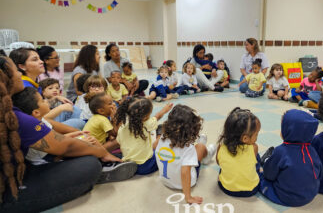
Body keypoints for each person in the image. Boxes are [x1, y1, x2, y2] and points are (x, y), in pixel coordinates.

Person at [0, 56, 126, 213]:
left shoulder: (12, 109)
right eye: (15, 71)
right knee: (89, 163)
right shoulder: (14, 116)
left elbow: (49, 128)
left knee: (80, 136)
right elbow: (62, 147)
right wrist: (102, 152)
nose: (19, 75)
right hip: (9, 189)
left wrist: (75, 136)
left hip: (23, 167)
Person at [259, 110, 323, 207]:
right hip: (310, 195)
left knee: (259, 178)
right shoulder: (312, 150)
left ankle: (265, 161)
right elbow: (320, 172)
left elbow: (269, 175)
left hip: (286, 197)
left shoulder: (280, 151)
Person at [155, 105, 216, 204]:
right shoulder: (188, 148)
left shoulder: (162, 137)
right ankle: (207, 155)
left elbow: (154, 147)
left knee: (192, 150)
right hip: (184, 183)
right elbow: (185, 172)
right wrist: (188, 197)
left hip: (165, 181)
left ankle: (202, 144)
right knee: (200, 147)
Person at [115, 97, 172, 175]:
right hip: (146, 165)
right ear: (145, 117)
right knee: (163, 129)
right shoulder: (146, 124)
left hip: (128, 161)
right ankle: (158, 140)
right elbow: (157, 117)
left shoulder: (122, 127)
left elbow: (119, 142)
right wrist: (165, 110)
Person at [216, 108, 261, 197]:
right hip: (251, 190)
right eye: (256, 134)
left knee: (223, 166)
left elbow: (218, 163)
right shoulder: (254, 148)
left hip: (227, 188)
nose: (257, 138)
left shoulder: (221, 146)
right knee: (257, 158)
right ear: (245, 138)